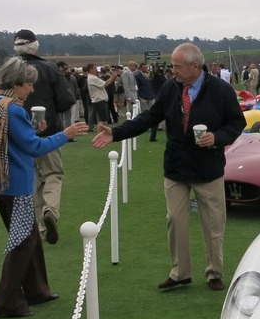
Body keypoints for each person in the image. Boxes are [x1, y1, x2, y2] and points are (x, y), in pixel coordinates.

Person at [91, 43, 245, 292]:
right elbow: (150, 117)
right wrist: (116, 133)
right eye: (172, 65)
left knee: (213, 224)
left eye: (177, 66)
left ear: (195, 66)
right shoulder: (170, 88)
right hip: (176, 167)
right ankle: (180, 273)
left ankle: (214, 272)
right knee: (175, 220)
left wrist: (217, 137)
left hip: (208, 169)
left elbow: (236, 123)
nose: (172, 70)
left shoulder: (221, 90)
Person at [0, 56, 89, 317]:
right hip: (17, 184)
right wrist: (65, 134)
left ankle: (37, 289)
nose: (32, 89)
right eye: (28, 84)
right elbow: (34, 148)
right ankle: (6, 301)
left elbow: (15, 139)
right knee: (23, 242)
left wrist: (33, 129)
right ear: (15, 83)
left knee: (30, 238)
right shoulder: (13, 109)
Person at [14, 30, 76, 245]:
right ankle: (50, 211)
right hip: (48, 132)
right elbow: (66, 100)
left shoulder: (10, 70)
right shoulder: (49, 68)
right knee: (53, 175)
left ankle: (40, 228)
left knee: (35, 179)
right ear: (36, 47)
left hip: (18, 134)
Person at [85, 63, 119, 132]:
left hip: (99, 100)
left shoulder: (92, 77)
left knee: (102, 120)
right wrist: (113, 76)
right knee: (101, 120)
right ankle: (100, 135)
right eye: (94, 68)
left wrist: (113, 76)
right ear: (90, 69)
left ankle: (101, 134)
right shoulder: (92, 78)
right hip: (99, 100)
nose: (96, 70)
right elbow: (105, 84)